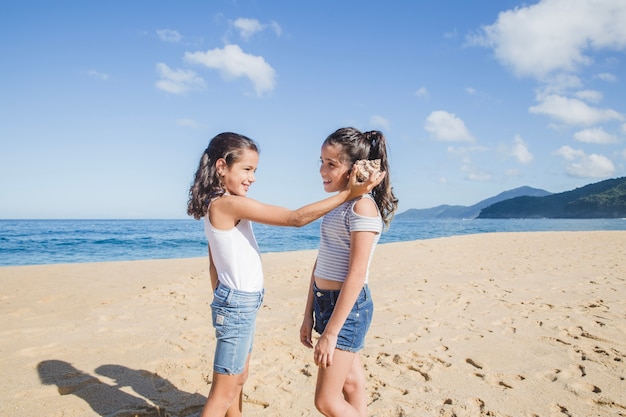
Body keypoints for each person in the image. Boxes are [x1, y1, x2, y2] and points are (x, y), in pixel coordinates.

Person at [186, 132, 384, 417]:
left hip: (237, 301)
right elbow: (294, 219)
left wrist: (223, 295)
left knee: (237, 380)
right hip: (238, 304)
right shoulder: (228, 204)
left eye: (254, 170)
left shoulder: (219, 202)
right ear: (221, 167)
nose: (252, 177)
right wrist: (348, 193)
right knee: (226, 390)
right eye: (247, 169)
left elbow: (213, 263)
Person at [299, 127, 398, 417]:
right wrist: (308, 314)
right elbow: (321, 261)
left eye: (331, 163)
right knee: (352, 384)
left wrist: (330, 334)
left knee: (326, 401)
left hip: (348, 308)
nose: (322, 170)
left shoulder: (362, 208)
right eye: (321, 161)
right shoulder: (336, 205)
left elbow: (356, 275)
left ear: (355, 168)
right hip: (326, 302)